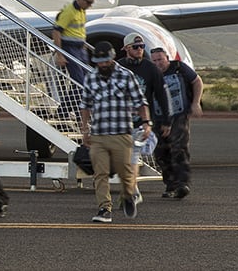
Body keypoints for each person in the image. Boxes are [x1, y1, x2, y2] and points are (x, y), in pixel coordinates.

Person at [79, 41, 151, 223]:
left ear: (112, 58)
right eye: (98, 61)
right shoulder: (91, 77)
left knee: (125, 172)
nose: (102, 65)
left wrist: (146, 123)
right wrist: (85, 129)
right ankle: (104, 208)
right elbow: (85, 105)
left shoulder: (126, 76)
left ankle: (128, 195)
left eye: (105, 61)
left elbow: (140, 101)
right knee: (100, 173)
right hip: (99, 134)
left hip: (121, 133)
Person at [150, 47, 203, 199]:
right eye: (154, 60)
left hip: (179, 114)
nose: (158, 63)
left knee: (178, 148)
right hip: (158, 117)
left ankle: (182, 184)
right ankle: (170, 184)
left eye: (160, 59)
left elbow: (197, 81)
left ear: (167, 58)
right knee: (160, 152)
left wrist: (195, 103)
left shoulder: (179, 68)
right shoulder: (151, 73)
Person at [116, 33, 168, 177]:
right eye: (135, 46)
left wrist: (166, 120)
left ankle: (130, 189)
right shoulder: (118, 67)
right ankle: (129, 188)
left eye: (142, 46)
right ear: (126, 48)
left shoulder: (151, 68)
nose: (139, 49)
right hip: (122, 121)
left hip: (142, 122)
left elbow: (161, 95)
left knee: (138, 153)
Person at [52, 0, 97, 114]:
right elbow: (56, 32)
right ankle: (66, 112)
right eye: (88, 2)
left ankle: (65, 111)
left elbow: (78, 30)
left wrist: (83, 43)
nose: (89, 6)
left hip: (80, 48)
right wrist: (60, 54)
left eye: (91, 3)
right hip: (70, 48)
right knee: (79, 83)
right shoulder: (69, 11)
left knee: (87, 81)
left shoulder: (82, 10)